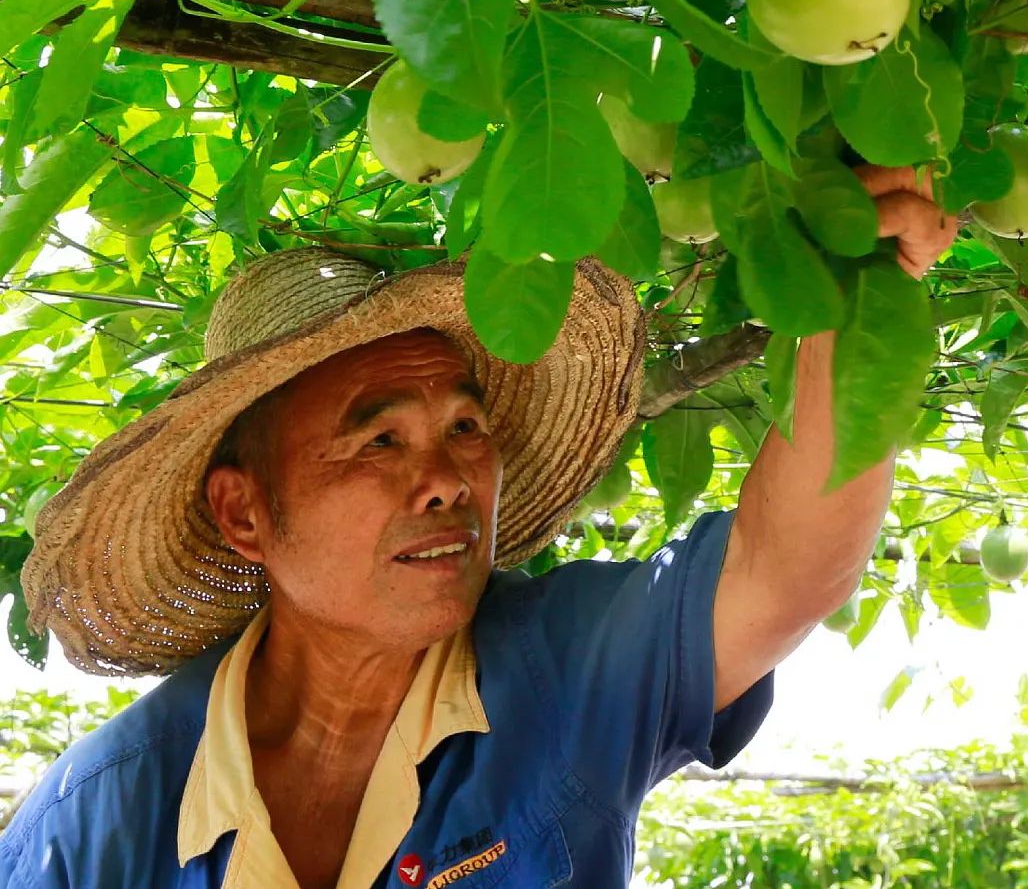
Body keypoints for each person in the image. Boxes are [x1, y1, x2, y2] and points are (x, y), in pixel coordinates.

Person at [0, 164, 954, 889]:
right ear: (244, 510)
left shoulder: (568, 665)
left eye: (464, 427)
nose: (446, 481)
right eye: (377, 440)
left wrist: (849, 296)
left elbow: (782, 572)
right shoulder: (99, 822)